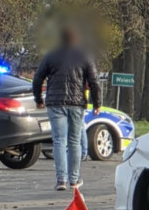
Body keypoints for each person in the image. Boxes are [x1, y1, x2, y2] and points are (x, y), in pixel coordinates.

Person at [32, 27, 101, 191]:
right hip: (76, 104)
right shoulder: (84, 55)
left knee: (59, 141)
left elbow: (38, 78)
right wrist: (97, 103)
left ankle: (61, 180)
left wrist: (38, 99)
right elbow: (94, 81)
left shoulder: (51, 55)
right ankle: (74, 180)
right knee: (74, 141)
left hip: (55, 103)